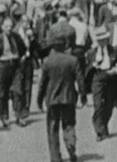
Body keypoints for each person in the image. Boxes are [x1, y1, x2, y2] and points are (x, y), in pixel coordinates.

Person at [37, 27, 87, 162]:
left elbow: (42, 83)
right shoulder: (73, 60)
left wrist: (39, 100)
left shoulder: (47, 62)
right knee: (69, 124)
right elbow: (80, 80)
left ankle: (55, 157)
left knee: (52, 129)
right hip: (69, 98)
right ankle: (71, 148)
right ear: (65, 45)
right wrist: (83, 96)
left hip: (52, 99)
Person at [0, 18, 27, 128]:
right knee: (2, 92)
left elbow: (23, 49)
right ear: (2, 27)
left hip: (15, 65)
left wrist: (21, 59)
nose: (9, 29)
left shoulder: (16, 37)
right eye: (6, 26)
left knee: (17, 90)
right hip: (2, 65)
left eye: (10, 26)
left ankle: (19, 115)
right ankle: (4, 117)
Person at [86, 26, 117, 141]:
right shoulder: (92, 52)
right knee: (98, 105)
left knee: (109, 105)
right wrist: (93, 65)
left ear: (107, 39)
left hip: (110, 77)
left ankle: (104, 125)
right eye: (99, 40)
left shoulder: (113, 50)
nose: (102, 42)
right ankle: (99, 131)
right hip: (98, 77)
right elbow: (87, 68)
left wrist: (115, 70)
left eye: (104, 40)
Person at [68, 8, 90, 76]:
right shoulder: (84, 25)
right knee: (81, 72)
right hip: (81, 49)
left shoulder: (70, 24)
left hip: (72, 48)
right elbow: (87, 38)